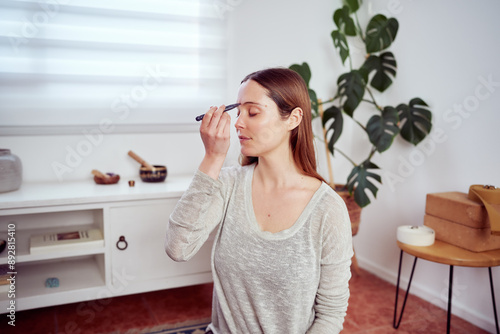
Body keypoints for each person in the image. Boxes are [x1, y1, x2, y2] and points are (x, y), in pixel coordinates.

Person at [165, 67, 353, 334]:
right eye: (238, 111)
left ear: (293, 119)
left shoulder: (328, 209)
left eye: (252, 112)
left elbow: (331, 315)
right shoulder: (228, 184)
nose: (238, 122)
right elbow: (177, 248)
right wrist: (213, 158)